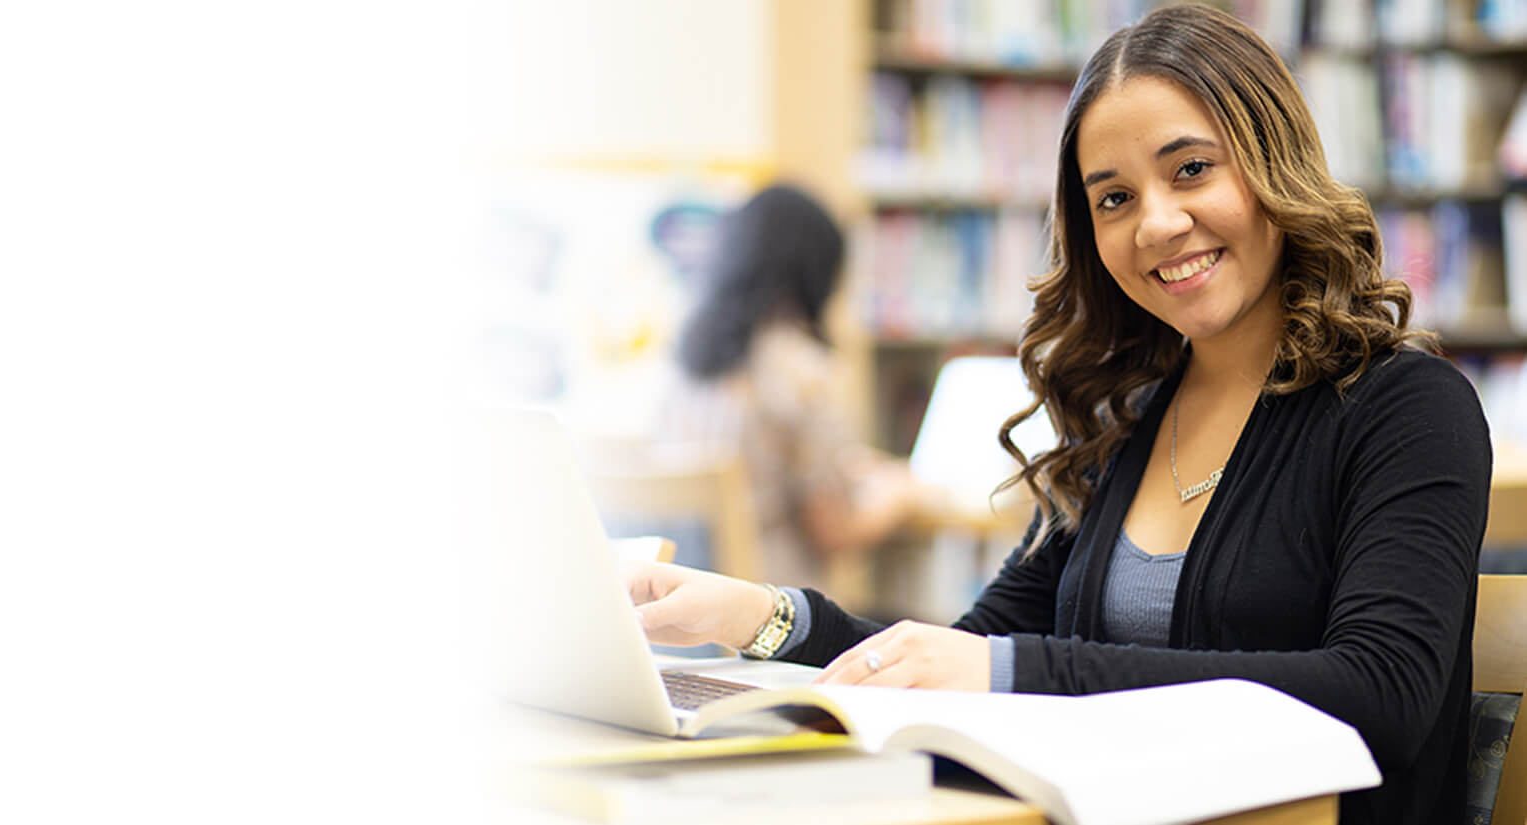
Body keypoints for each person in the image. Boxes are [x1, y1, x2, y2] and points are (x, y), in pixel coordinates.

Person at [622, 6, 1491, 824]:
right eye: (1112, 198)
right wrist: (760, 616)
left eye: (1191, 168)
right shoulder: (1132, 422)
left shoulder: (1406, 406)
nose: (1156, 223)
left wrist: (1016, 672)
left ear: (1274, 163)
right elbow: (956, 652)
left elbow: (1382, 692)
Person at [653, 182, 926, 591]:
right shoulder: (804, 374)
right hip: (768, 619)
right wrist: (901, 498)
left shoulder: (683, 367)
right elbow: (833, 529)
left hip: (679, 614)